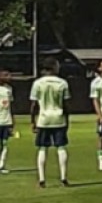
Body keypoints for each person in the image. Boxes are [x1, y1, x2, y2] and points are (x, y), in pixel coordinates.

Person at [30, 58, 72, 188]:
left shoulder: (37, 83)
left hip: (43, 119)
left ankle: (42, 179)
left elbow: (33, 104)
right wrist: (67, 119)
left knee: (42, 148)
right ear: (54, 67)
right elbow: (66, 104)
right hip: (59, 118)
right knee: (61, 147)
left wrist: (33, 121)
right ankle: (63, 177)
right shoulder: (63, 83)